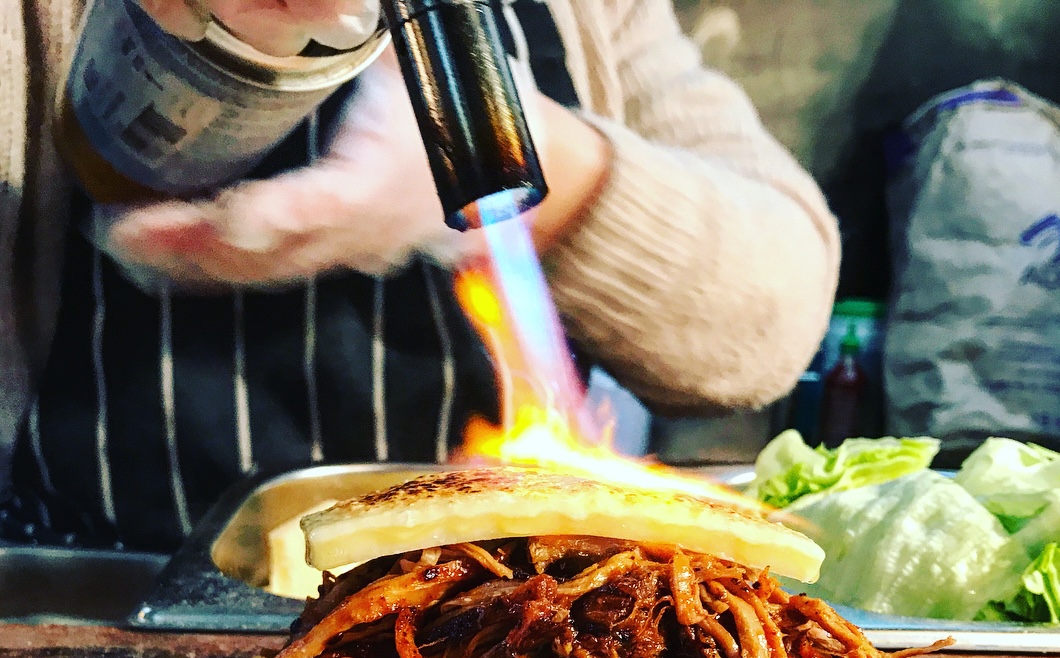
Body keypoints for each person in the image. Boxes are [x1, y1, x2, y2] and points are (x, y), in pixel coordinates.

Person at [0, 0, 839, 552]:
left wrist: (562, 176)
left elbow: (771, 316)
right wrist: (215, 66)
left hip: (505, 604)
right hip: (99, 596)